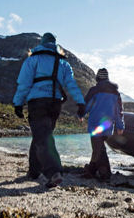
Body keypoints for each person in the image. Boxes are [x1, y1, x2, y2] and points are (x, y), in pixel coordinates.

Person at [13, 32, 86, 188]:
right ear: (55, 45)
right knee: (41, 135)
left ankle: (53, 172)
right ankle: (34, 172)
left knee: (42, 136)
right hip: (55, 104)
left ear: (42, 43)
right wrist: (81, 103)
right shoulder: (64, 64)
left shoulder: (33, 59)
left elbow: (24, 84)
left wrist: (18, 103)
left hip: (37, 103)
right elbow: (72, 85)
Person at [81, 68, 125, 181]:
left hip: (95, 124)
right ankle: (91, 171)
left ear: (98, 78)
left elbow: (86, 105)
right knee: (97, 148)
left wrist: (80, 114)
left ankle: (106, 175)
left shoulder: (94, 91)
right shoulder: (115, 93)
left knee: (99, 149)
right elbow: (119, 111)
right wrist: (120, 126)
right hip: (108, 126)